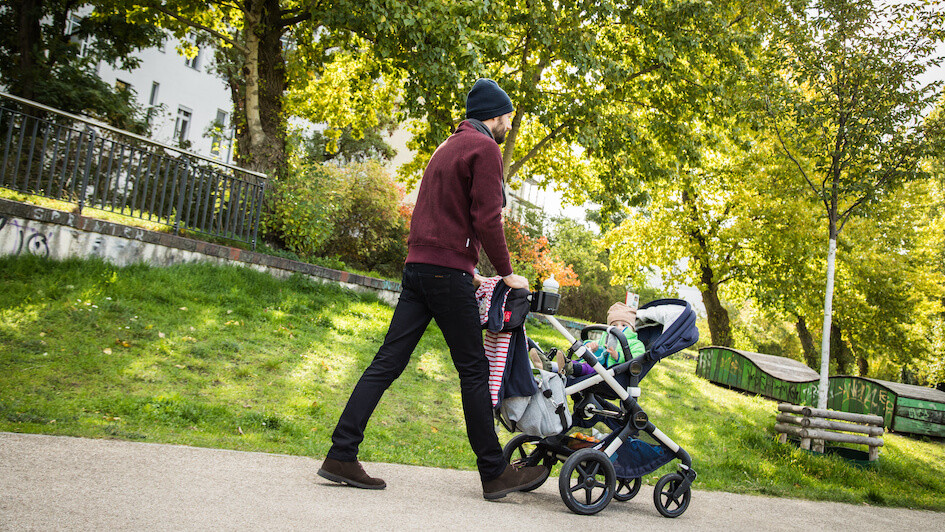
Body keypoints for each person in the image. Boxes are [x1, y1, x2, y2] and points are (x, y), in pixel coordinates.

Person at [318, 78, 548, 500]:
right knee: (475, 370)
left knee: (387, 361)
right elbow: (487, 217)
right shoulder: (486, 148)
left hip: (419, 268)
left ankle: (341, 453)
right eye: (508, 118)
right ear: (494, 115)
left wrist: (469, 269)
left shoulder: (446, 147)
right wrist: (506, 272)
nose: (509, 126)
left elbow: (440, 214)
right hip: (445, 275)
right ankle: (494, 473)